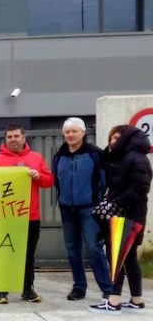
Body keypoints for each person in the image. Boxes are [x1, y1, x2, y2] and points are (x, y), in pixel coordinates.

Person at [0, 124, 54, 304]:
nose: (13, 139)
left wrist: (38, 176)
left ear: (24, 138)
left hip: (30, 217)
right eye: (9, 137)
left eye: (16, 136)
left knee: (28, 255)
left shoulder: (36, 158)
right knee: (3, 253)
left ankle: (27, 290)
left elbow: (49, 181)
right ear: (5, 139)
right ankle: (1, 291)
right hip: (4, 217)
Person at [89, 125, 151, 314]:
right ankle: (136, 300)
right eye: (111, 138)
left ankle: (113, 300)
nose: (113, 141)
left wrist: (115, 203)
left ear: (127, 138)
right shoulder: (123, 158)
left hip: (126, 216)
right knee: (129, 259)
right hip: (128, 215)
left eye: (117, 138)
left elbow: (141, 188)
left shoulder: (135, 158)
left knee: (116, 257)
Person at [51, 117, 112, 303]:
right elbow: (56, 180)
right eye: (67, 132)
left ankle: (108, 289)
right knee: (72, 250)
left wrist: (96, 199)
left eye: (74, 131)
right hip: (67, 210)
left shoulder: (95, 154)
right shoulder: (59, 155)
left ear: (83, 133)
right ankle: (79, 287)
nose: (70, 135)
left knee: (94, 248)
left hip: (89, 209)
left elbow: (105, 180)